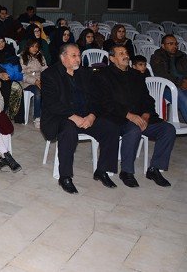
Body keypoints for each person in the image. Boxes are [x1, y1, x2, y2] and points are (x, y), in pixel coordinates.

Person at [41, 43, 120, 194]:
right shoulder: (49, 74)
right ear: (63, 57)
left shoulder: (86, 73)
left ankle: (102, 171)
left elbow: (97, 99)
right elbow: (52, 104)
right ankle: (65, 177)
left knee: (111, 128)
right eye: (74, 56)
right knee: (68, 130)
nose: (78, 60)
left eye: (79, 56)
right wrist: (73, 117)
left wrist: (92, 115)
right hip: (60, 117)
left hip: (85, 116)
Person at [95, 45, 176, 187]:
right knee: (134, 129)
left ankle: (154, 169)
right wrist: (129, 115)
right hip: (119, 118)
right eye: (121, 54)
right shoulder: (103, 75)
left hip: (141, 117)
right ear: (112, 58)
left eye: (126, 52)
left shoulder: (136, 75)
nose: (126, 55)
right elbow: (106, 103)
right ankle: (126, 172)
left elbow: (148, 99)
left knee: (168, 129)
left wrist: (146, 114)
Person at [150, 34, 187, 121]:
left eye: (175, 44)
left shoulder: (182, 56)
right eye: (170, 44)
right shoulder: (157, 57)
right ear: (163, 46)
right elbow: (162, 74)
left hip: (184, 83)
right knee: (184, 99)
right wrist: (180, 82)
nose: (174, 46)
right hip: (167, 86)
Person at [19, 38, 48, 128]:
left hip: (40, 80)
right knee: (38, 92)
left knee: (52, 88)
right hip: (28, 82)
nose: (35, 48)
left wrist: (46, 77)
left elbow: (45, 68)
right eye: (32, 46)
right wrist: (35, 81)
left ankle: (48, 115)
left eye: (36, 46)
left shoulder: (40, 56)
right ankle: (37, 117)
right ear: (28, 47)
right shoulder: (23, 56)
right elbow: (23, 74)